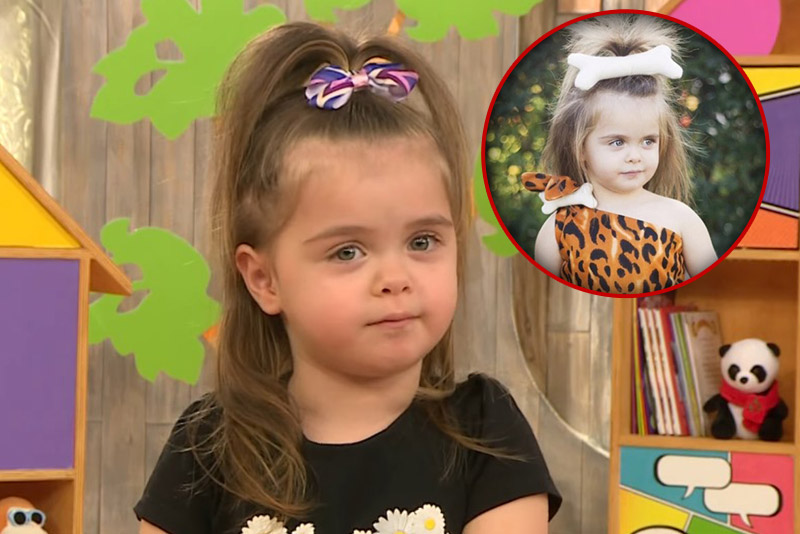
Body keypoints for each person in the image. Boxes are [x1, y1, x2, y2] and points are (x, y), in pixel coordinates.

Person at [135, 21, 561, 534]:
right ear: (264, 280)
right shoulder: (205, 451)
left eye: (422, 241)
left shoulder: (486, 432)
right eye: (347, 252)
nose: (395, 278)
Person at [524, 13, 717, 294]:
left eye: (648, 141)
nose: (635, 155)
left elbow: (714, 294)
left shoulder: (681, 219)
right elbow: (546, 298)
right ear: (580, 149)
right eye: (617, 142)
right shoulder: (559, 228)